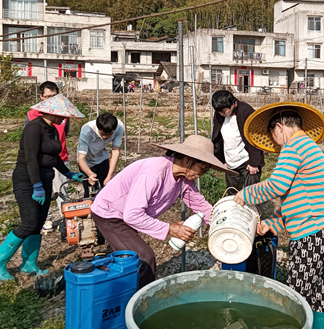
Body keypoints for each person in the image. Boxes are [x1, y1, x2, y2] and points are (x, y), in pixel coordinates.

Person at [233, 102, 324, 329]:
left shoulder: (294, 146)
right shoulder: (308, 148)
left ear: (279, 127)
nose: (274, 142)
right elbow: (300, 201)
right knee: (316, 295)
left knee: (295, 298)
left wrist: (243, 196)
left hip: (314, 234)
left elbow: (277, 186)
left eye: (273, 136)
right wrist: (271, 223)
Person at [90, 135, 237, 288]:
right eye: (201, 169)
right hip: (109, 214)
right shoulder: (154, 173)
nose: (201, 175)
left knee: (128, 259)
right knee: (143, 257)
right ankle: (143, 303)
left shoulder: (183, 179)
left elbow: (200, 204)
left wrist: (223, 223)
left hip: (125, 216)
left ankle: (121, 292)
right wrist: (170, 228)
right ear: (187, 160)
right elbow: (132, 214)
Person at [0, 94, 85, 281]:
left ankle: (29, 265)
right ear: (51, 113)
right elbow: (31, 158)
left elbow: (54, 157)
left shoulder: (53, 129)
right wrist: (36, 186)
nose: (65, 119)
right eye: (62, 115)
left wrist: (69, 173)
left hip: (45, 180)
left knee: (38, 224)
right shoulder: (33, 128)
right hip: (27, 180)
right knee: (29, 223)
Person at [26, 82, 70, 216]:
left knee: (63, 193)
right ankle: (43, 221)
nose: (52, 100)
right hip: (41, 163)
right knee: (41, 196)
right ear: (41, 97)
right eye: (48, 96)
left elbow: (64, 134)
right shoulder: (32, 116)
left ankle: (67, 222)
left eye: (55, 96)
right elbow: (30, 146)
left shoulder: (63, 115)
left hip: (60, 159)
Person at [211, 90, 264, 194]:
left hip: (247, 162)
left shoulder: (246, 111)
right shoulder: (219, 115)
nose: (222, 114)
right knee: (232, 196)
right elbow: (218, 138)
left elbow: (256, 137)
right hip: (230, 163)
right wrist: (222, 160)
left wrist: (254, 163)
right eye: (219, 112)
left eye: (224, 111)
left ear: (233, 104)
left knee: (250, 195)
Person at [77, 112, 125, 197]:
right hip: (87, 162)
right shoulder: (87, 130)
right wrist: (90, 174)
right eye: (102, 134)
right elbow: (81, 158)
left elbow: (115, 151)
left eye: (109, 135)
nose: (105, 137)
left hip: (102, 158)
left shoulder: (119, 127)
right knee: (89, 194)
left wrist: (110, 175)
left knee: (105, 190)